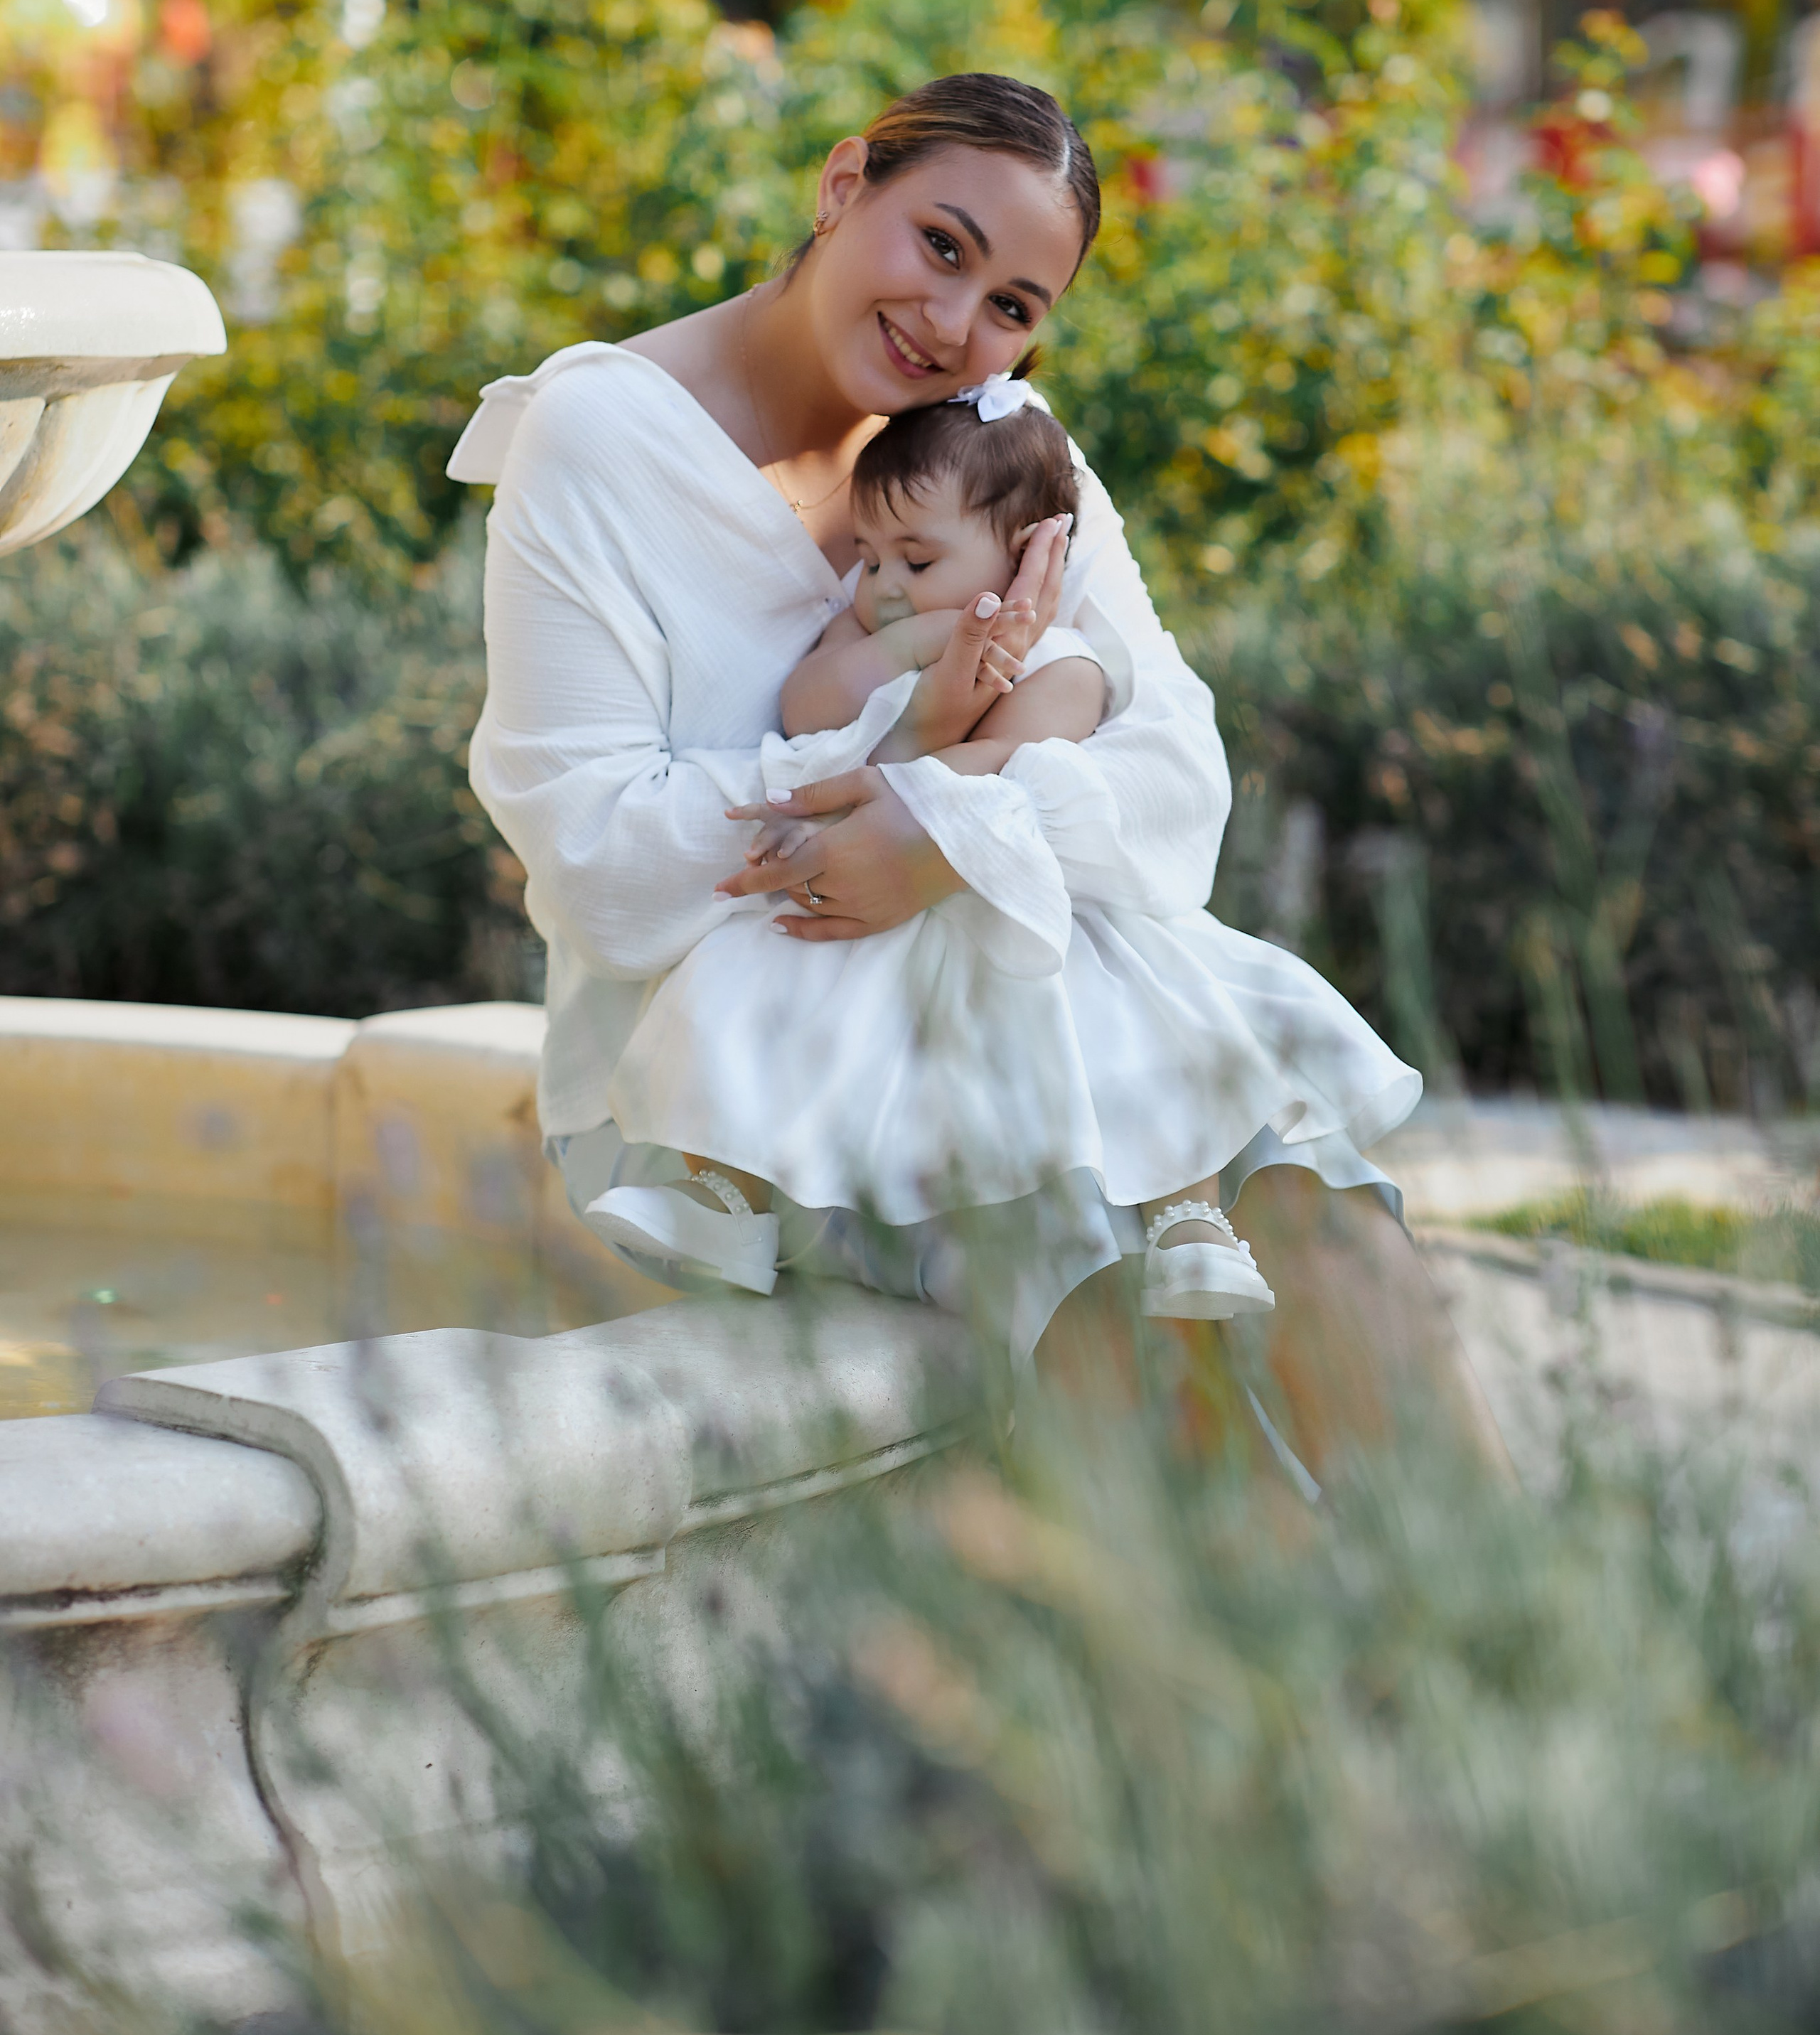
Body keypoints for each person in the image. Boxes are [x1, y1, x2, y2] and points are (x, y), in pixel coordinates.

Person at [449, 71, 1504, 1474]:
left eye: (1011, 301)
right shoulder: (599, 442)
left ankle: (1502, 1608)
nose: (954, 323)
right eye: (939, 245)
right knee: (1109, 1271)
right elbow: (601, 865)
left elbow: (1179, 778)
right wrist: (901, 787)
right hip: (735, 1094)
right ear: (842, 187)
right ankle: (1236, 1604)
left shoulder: (998, 450)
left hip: (1044, 1020)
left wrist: (947, 834)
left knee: (1320, 1212)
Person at [594, 379, 1423, 1335]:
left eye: (917, 558)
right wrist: (929, 641)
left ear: (1028, 552)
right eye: (868, 556)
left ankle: (1191, 1222)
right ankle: (727, 1200)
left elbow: (1016, 768)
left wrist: (919, 750)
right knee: (752, 985)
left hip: (1015, 904)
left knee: (1143, 1034)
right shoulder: (874, 632)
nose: (883, 582)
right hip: (871, 905)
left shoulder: (1062, 660)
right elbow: (806, 703)